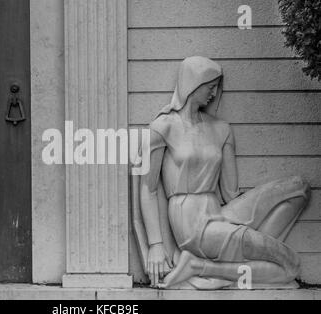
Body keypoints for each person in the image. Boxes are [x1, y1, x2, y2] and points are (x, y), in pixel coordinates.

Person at [133, 56, 311, 289]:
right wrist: (156, 244)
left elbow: (230, 193)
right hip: (190, 223)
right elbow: (148, 188)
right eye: (210, 86)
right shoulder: (163, 127)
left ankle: (205, 264)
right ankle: (225, 259)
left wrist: (257, 205)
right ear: (192, 84)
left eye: (217, 86)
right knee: (290, 264)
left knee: (299, 190)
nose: (214, 93)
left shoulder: (221, 129)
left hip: (219, 210)